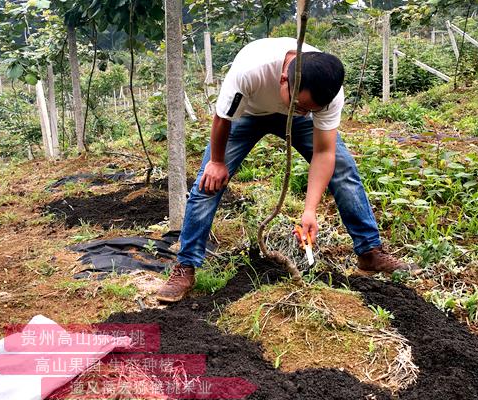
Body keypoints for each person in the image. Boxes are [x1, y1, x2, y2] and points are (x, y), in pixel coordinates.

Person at [156, 37, 420, 303]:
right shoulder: (251, 70)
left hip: (291, 108)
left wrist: (309, 210)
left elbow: (324, 152)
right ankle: (186, 266)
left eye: (311, 110)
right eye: (301, 106)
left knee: (343, 169)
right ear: (284, 79)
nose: (305, 114)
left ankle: (369, 253)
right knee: (208, 182)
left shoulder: (326, 93)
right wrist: (216, 162)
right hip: (249, 113)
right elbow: (222, 118)